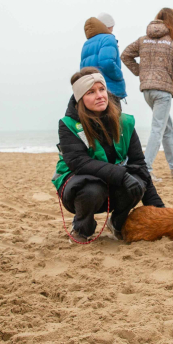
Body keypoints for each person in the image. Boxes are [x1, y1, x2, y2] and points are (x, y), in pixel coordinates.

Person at [53, 68, 164, 241]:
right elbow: (79, 163)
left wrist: (159, 210)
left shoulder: (124, 122)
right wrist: (122, 175)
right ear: (80, 98)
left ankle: (117, 224)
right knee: (93, 189)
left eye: (102, 89)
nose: (99, 96)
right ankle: (83, 228)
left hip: (113, 183)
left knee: (137, 181)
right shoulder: (68, 125)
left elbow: (140, 164)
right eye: (91, 92)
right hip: (79, 187)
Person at [121, 8, 173, 181]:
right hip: (163, 91)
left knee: (167, 127)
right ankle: (146, 169)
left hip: (148, 91)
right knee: (158, 129)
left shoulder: (143, 40)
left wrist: (142, 73)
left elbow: (125, 55)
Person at [80, 13, 126, 101]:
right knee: (114, 114)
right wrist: (119, 76)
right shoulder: (108, 38)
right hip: (109, 89)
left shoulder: (87, 44)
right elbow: (107, 63)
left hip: (91, 91)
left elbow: (83, 69)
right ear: (108, 26)